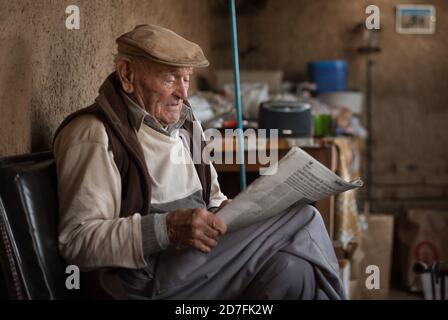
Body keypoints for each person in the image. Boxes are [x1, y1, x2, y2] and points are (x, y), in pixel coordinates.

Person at [53, 24, 345, 300]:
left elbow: (214, 198)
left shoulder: (187, 125)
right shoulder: (95, 133)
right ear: (127, 74)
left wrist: (232, 212)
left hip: (194, 262)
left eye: (186, 78)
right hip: (148, 280)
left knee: (294, 271)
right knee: (303, 217)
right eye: (170, 78)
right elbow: (76, 242)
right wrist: (165, 228)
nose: (183, 92)